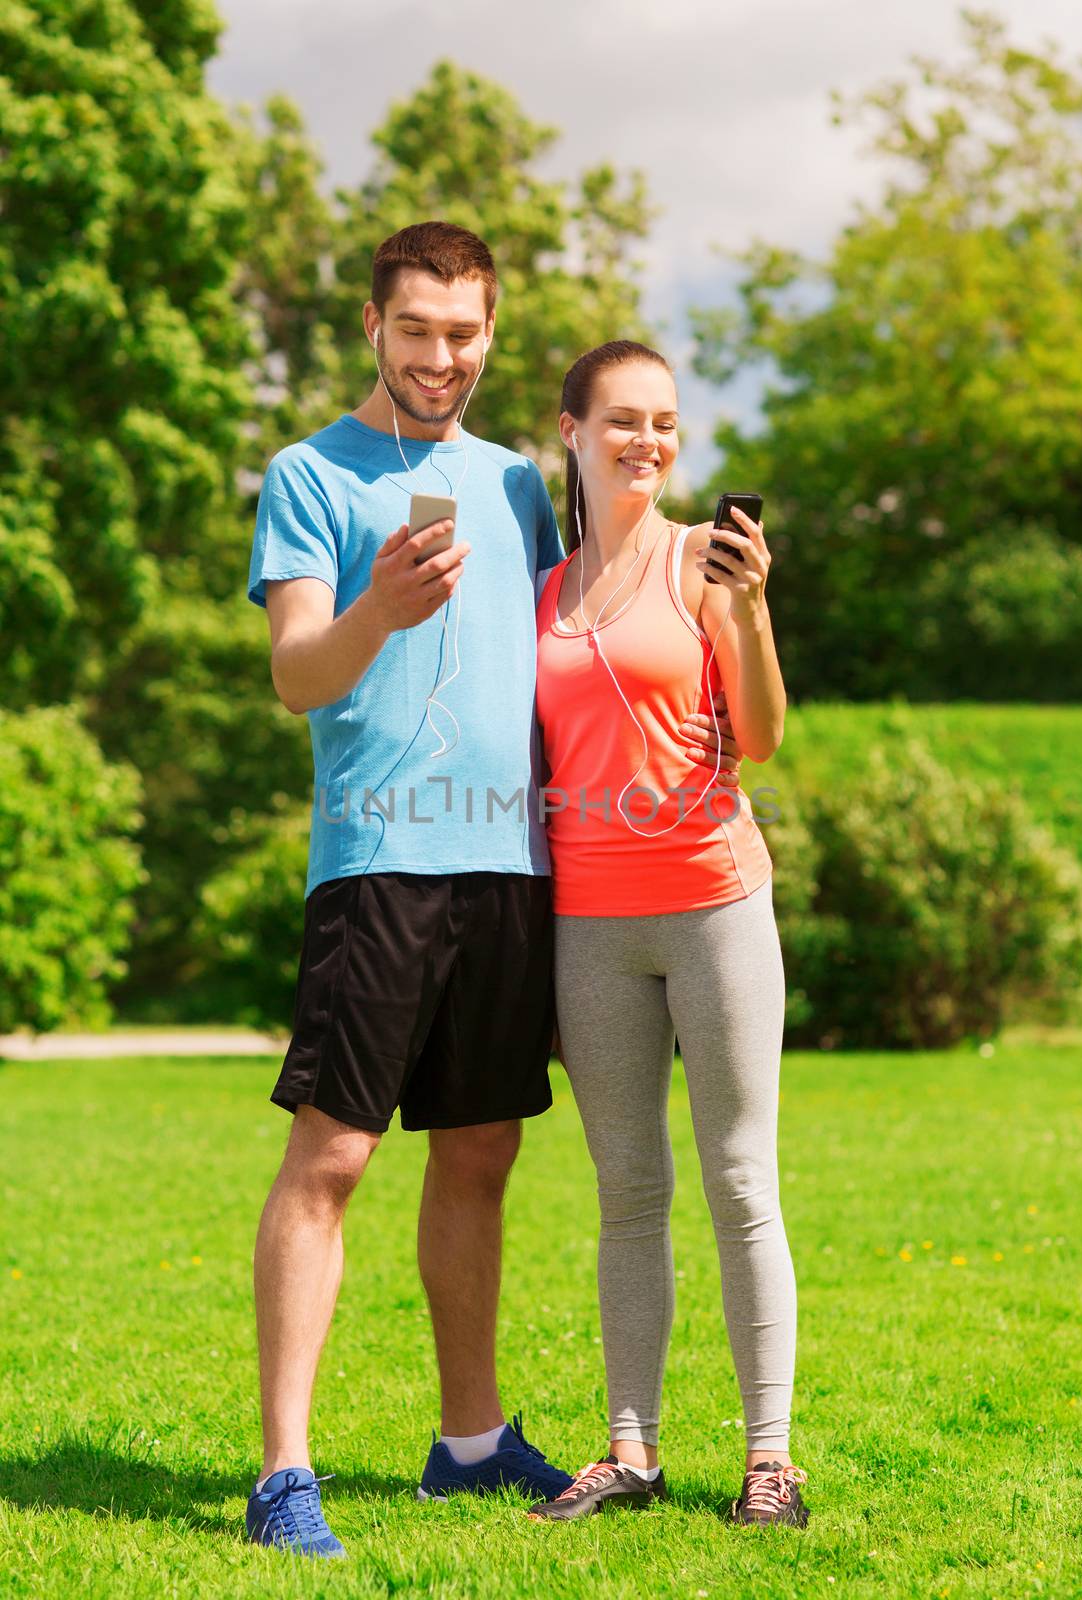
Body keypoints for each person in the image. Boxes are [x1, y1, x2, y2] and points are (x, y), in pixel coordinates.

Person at [243, 227, 740, 1558]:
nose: (442, 358)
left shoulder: (515, 484)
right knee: (333, 1156)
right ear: (373, 328)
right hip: (379, 860)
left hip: (515, 867)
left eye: (465, 334)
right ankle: (283, 1474)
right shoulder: (307, 477)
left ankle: (468, 1447)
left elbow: (603, 601)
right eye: (418, 331)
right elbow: (298, 673)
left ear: (489, 334)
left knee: (482, 1152)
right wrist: (377, 617)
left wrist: (727, 620)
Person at [527, 341, 810, 1529]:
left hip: (712, 906)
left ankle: (769, 1462)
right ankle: (631, 1450)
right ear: (574, 433)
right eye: (625, 421)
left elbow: (764, 729)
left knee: (742, 1179)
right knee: (629, 1188)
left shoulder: (704, 563)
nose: (649, 441)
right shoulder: (543, 592)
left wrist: (745, 609)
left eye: (667, 423)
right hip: (590, 923)